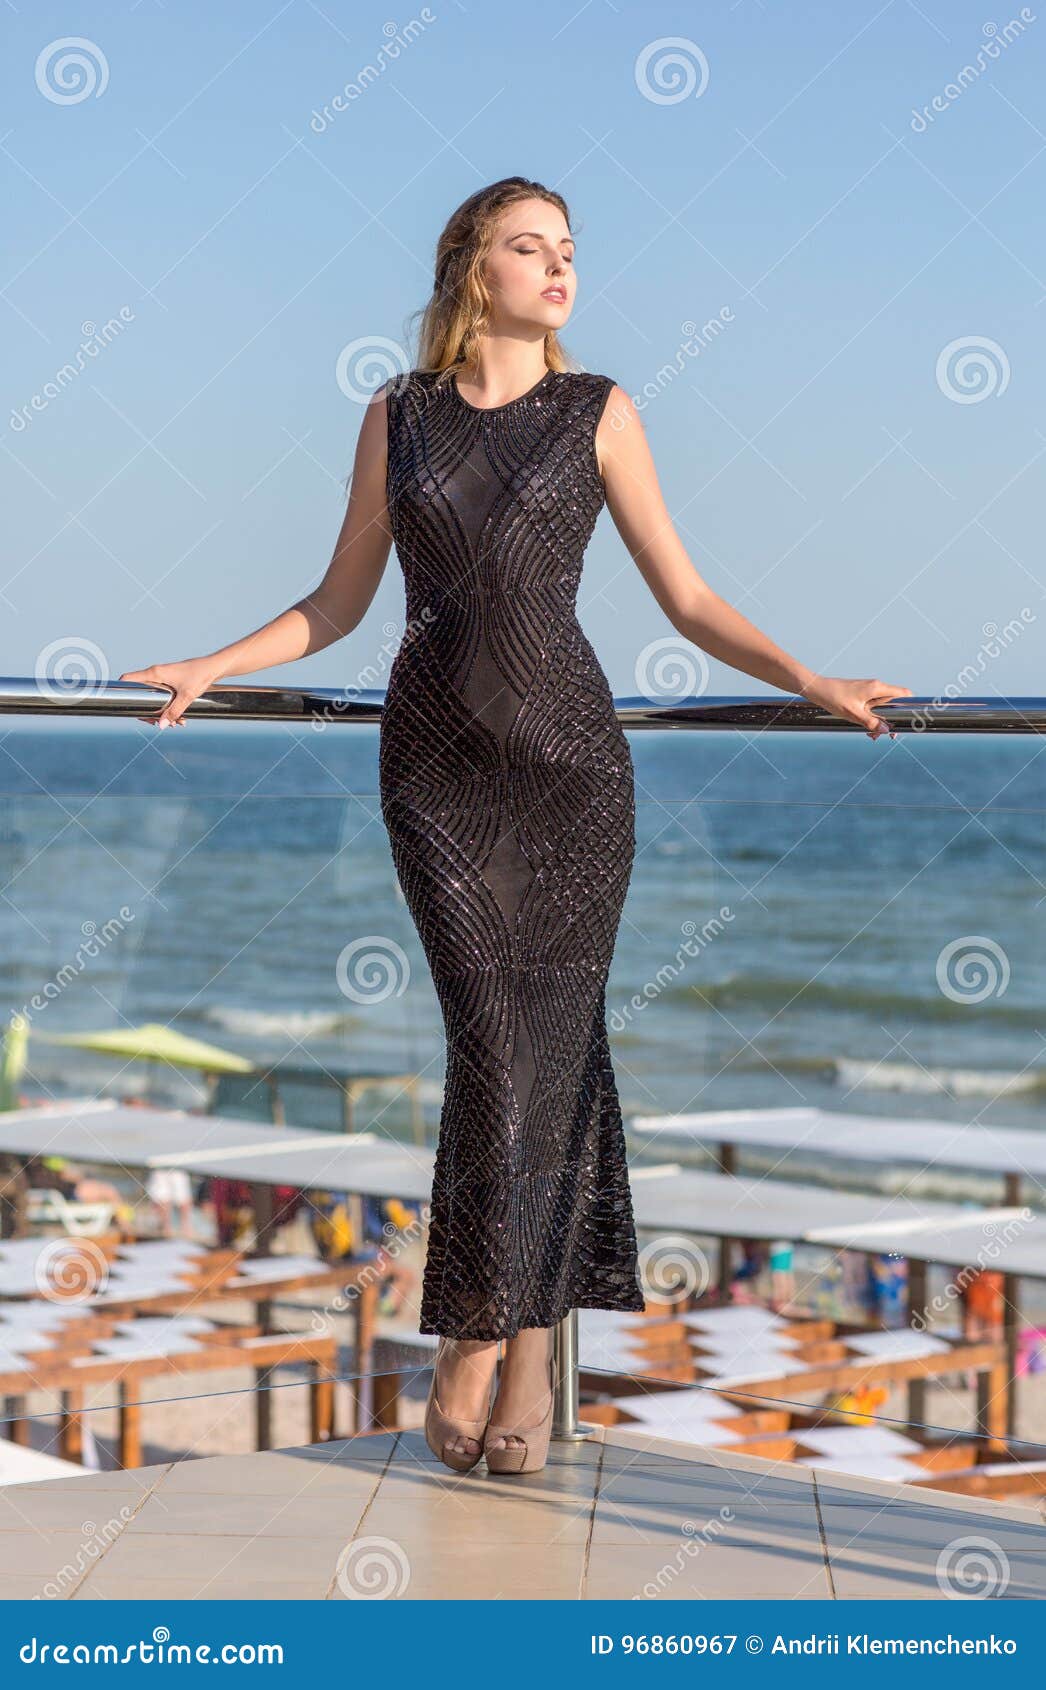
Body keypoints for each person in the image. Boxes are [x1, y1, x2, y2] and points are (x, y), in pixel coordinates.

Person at [117, 176, 910, 1474]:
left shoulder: (599, 413)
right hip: (435, 773)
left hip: (568, 774)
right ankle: (491, 1337)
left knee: (552, 1056)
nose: (558, 269)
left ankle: (512, 1344)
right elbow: (335, 599)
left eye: (568, 251)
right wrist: (210, 663)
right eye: (529, 247)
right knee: (498, 1050)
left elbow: (689, 594)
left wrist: (808, 676)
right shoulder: (401, 416)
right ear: (471, 268)